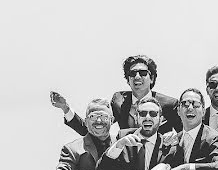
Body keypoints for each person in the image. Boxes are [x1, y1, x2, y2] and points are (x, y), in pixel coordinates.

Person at [49, 54, 182, 136]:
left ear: (151, 78)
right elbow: (93, 129)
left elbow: (185, 135)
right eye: (132, 73)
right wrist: (65, 109)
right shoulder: (119, 101)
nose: (137, 77)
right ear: (127, 80)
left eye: (142, 73)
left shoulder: (170, 104)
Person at [151, 88, 218, 170]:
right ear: (178, 111)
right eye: (185, 104)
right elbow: (170, 164)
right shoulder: (174, 139)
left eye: (196, 104)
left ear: (204, 112)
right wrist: (164, 166)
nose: (190, 108)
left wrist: (189, 169)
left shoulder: (214, 138)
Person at [96, 95, 172, 170]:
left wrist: (166, 167)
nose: (147, 117)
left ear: (161, 120)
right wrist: (119, 145)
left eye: (153, 114)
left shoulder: (168, 144)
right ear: (136, 118)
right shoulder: (122, 137)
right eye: (143, 113)